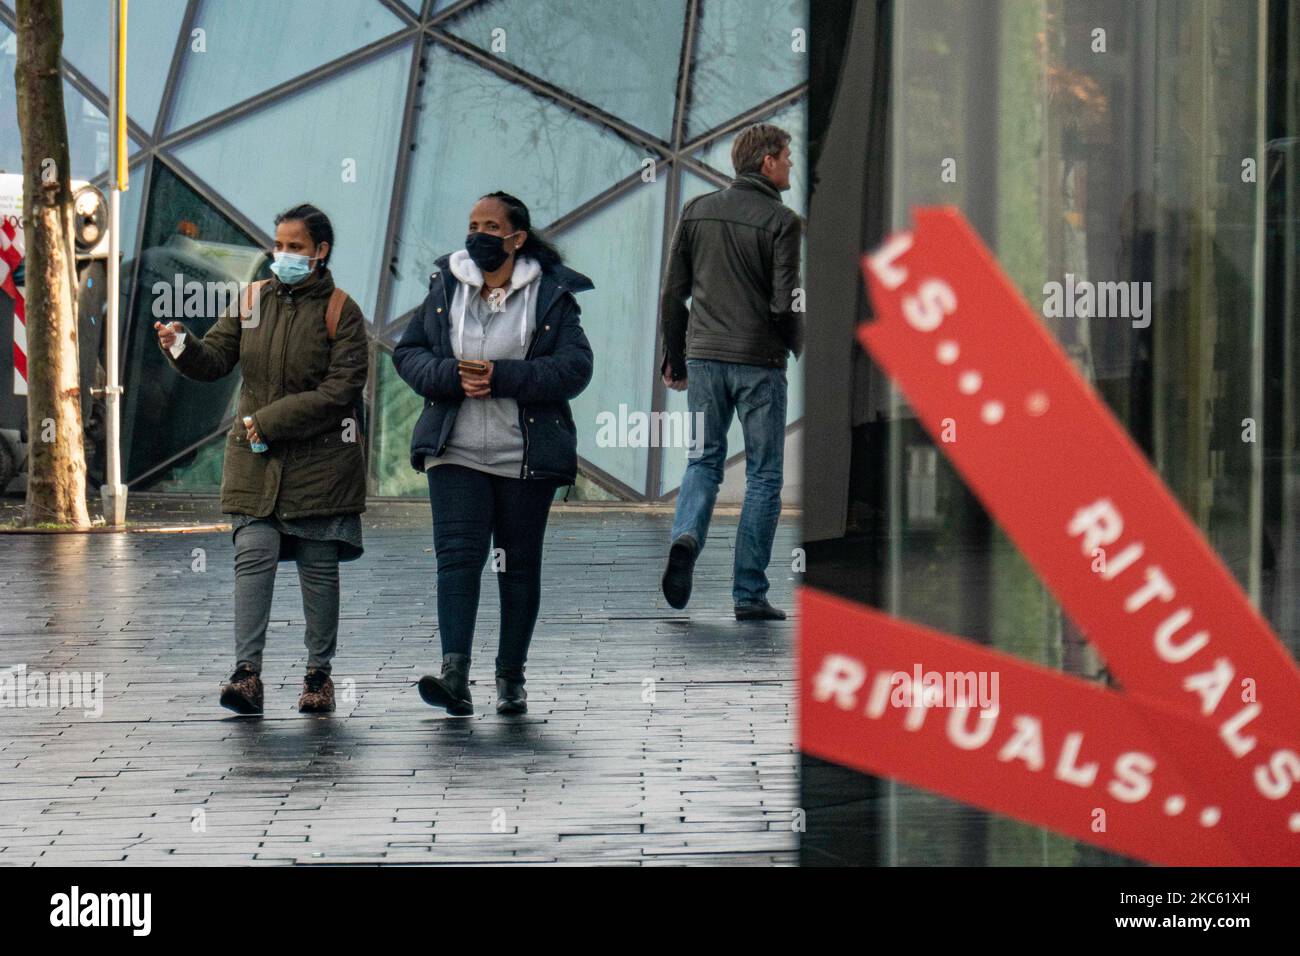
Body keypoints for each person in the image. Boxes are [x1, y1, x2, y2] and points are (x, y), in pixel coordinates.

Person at [155, 203, 369, 715]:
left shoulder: (342, 310)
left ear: (321, 251)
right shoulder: (251, 299)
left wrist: (271, 420)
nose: (283, 255)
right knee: (254, 558)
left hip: (321, 466)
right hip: (255, 460)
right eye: (279, 245)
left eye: (295, 246)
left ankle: (318, 677)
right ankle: (246, 675)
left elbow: (341, 390)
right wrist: (181, 345)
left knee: (319, 566)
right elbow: (214, 361)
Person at [392, 191, 593, 716]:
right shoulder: (445, 287)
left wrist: (504, 378)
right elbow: (408, 353)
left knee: (518, 565)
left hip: (524, 455)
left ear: (516, 238)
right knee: (458, 559)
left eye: (490, 225)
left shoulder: (550, 296)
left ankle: (510, 678)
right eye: (472, 222)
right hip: (453, 449)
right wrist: (450, 376)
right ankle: (454, 672)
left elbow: (575, 368)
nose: (477, 233)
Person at [659, 123, 803, 621]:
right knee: (764, 475)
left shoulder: (695, 211)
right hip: (759, 364)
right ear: (766, 162)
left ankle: (686, 537)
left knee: (702, 461)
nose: (791, 166)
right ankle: (748, 594)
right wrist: (802, 345)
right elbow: (784, 305)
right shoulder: (783, 221)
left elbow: (672, 294)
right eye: (787, 157)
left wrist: (676, 358)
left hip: (703, 360)